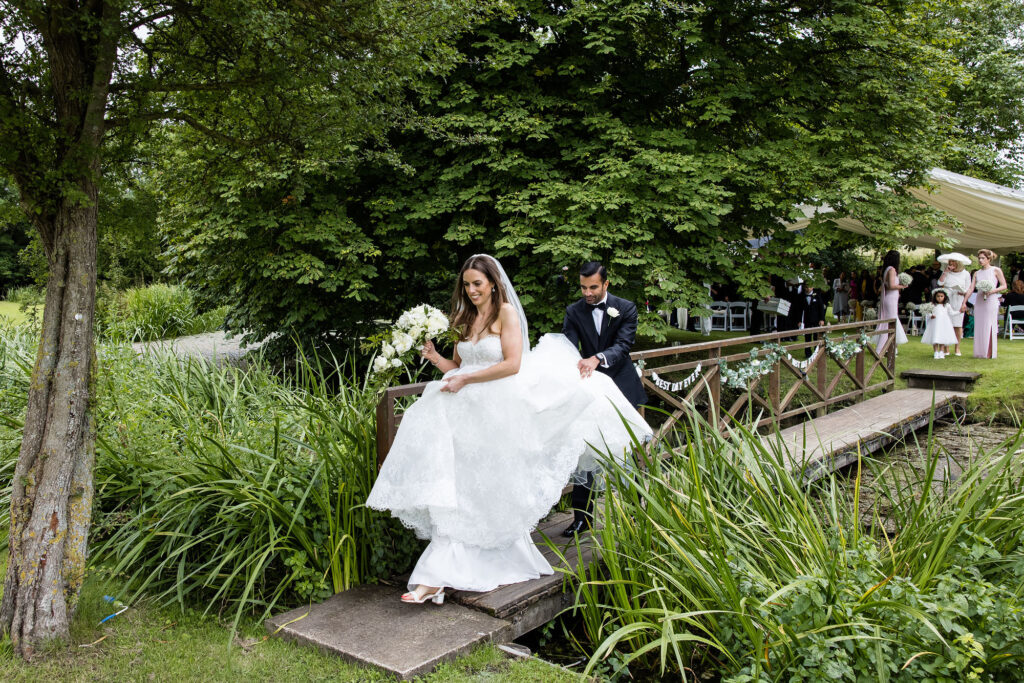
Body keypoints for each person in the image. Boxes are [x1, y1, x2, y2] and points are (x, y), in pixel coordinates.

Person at [366, 255, 652, 603]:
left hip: (498, 413)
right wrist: (434, 359)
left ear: (492, 283)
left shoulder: (506, 313)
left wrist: (466, 378)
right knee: (459, 489)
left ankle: (447, 572)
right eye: (467, 284)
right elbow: (457, 365)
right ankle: (436, 576)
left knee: (487, 491)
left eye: (477, 284)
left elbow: (512, 364)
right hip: (463, 414)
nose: (471, 290)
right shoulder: (462, 317)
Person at [561, 261, 647, 536]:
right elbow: (568, 346)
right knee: (585, 450)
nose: (587, 293)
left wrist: (597, 358)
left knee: (624, 451)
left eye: (593, 287)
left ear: (606, 284)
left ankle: (636, 511)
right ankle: (581, 518)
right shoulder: (574, 311)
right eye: (583, 287)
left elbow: (623, 345)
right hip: (588, 388)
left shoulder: (626, 308)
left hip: (620, 386)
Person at [963, 249, 1007, 359]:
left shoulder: (996, 270)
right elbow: (971, 289)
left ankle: (989, 352)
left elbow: (1004, 286)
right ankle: (980, 352)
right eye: (979, 258)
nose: (980, 260)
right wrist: (964, 302)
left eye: (983, 258)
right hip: (979, 300)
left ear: (989, 259)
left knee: (989, 324)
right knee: (980, 325)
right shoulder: (977, 273)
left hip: (991, 300)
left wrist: (992, 291)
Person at [937, 252, 972, 356]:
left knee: (958, 325)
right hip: (947, 299)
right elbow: (940, 283)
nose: (951, 264)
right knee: (947, 323)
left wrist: (964, 300)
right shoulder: (946, 272)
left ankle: (957, 348)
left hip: (959, 298)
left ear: (958, 263)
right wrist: (946, 272)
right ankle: (946, 348)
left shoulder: (966, 273)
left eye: (953, 262)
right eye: (950, 262)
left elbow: (968, 288)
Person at [874, 250, 908, 349]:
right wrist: (902, 286)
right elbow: (891, 286)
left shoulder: (886, 269)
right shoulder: (892, 270)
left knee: (889, 322)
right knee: (889, 323)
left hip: (889, 298)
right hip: (890, 298)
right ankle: (881, 348)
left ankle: (891, 347)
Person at [792, 283, 827, 357]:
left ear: (813, 287)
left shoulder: (817, 295)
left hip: (816, 319)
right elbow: (799, 309)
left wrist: (822, 319)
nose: (807, 289)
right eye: (806, 287)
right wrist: (799, 320)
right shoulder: (801, 296)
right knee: (807, 336)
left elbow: (821, 308)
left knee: (816, 336)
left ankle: (816, 352)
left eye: (809, 287)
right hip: (807, 319)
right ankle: (807, 353)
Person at [921, 289, 957, 359]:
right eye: (938, 296)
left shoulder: (946, 305)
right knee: (935, 336)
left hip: (944, 323)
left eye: (941, 296)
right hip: (935, 323)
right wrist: (931, 315)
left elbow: (952, 313)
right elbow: (928, 312)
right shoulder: (932, 305)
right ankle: (935, 352)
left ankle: (941, 352)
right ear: (935, 297)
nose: (940, 298)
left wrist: (960, 311)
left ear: (944, 297)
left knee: (942, 337)